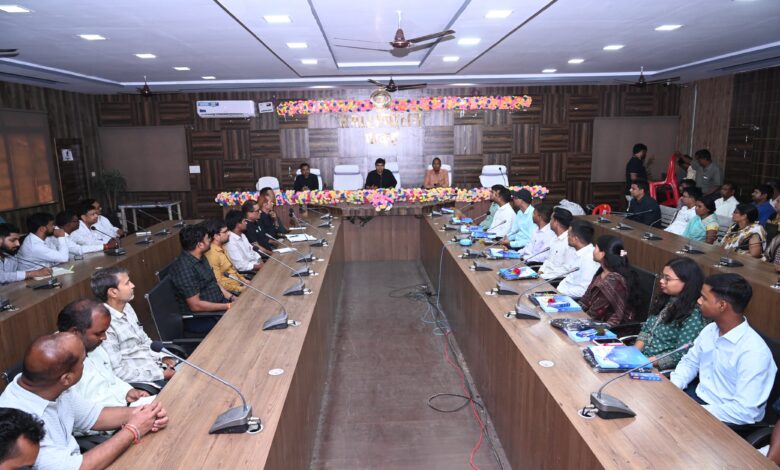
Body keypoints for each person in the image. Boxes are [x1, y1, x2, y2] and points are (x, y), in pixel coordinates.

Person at [0, 332, 169, 469]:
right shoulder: (18, 428)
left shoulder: (50, 386)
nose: (86, 365)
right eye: (83, 362)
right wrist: (133, 430)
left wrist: (143, 414)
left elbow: (95, 416)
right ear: (66, 378)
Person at [670, 273, 776, 425]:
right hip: (697, 400)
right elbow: (690, 363)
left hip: (727, 420)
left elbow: (745, 412)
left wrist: (693, 411)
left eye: (704, 298)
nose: (698, 301)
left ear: (722, 305)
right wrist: (673, 388)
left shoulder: (754, 353)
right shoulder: (710, 330)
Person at [57, 299, 152, 407]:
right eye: (99, 334)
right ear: (75, 332)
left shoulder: (93, 346)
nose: (104, 337)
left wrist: (128, 391)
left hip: (125, 406)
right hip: (107, 415)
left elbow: (110, 377)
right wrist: (128, 413)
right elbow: (81, 410)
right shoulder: (59, 364)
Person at [91, 267, 177, 384]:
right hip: (143, 379)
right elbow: (118, 371)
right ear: (113, 292)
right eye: (127, 283)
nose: (133, 285)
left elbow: (144, 340)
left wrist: (163, 357)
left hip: (156, 364)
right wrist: (160, 375)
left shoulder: (126, 307)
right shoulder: (104, 324)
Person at [635, 258, 708, 369]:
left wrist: (643, 362)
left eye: (667, 279)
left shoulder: (694, 314)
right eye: (662, 276)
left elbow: (680, 354)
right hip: (641, 360)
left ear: (687, 282)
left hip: (659, 369)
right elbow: (646, 331)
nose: (661, 281)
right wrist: (633, 354)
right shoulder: (665, 299)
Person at [168, 224, 234, 334]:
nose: (210, 240)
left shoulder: (201, 257)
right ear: (200, 245)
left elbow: (214, 282)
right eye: (208, 238)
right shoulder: (184, 268)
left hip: (220, 305)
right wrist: (228, 306)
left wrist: (232, 297)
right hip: (204, 317)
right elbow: (196, 306)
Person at [579, 236, 642, 327]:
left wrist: (575, 319)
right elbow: (586, 299)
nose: (593, 251)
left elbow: (595, 313)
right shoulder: (602, 271)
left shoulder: (613, 280)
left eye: (595, 247)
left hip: (610, 328)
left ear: (602, 254)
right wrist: (573, 311)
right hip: (594, 320)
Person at [556, 220, 600, 299]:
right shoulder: (577, 252)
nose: (567, 237)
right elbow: (569, 279)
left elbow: (582, 291)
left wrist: (559, 293)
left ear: (575, 239)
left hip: (571, 299)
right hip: (561, 292)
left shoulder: (590, 259)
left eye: (568, 235)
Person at [203, 219, 247, 295]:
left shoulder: (222, 246)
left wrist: (244, 281)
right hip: (233, 292)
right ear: (216, 236)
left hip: (240, 284)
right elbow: (219, 283)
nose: (229, 233)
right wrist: (241, 289)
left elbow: (232, 270)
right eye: (225, 232)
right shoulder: (212, 255)